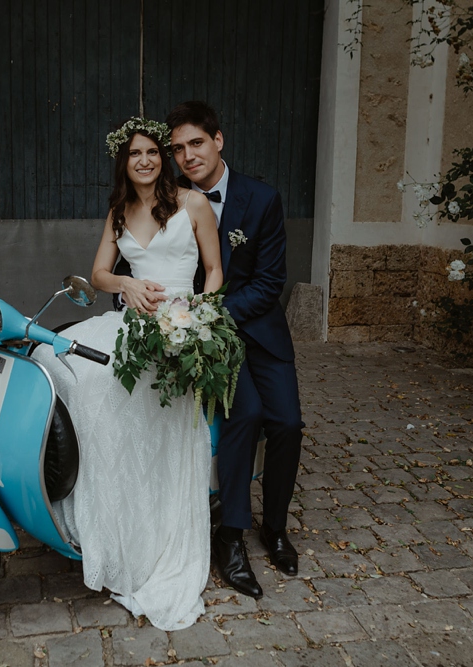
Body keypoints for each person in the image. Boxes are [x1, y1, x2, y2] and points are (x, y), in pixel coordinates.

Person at [31, 117, 222, 630]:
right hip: (132, 321)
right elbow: (98, 275)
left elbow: (214, 271)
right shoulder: (119, 210)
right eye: (134, 154)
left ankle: (152, 533)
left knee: (137, 404)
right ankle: (100, 512)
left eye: (152, 152)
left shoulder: (193, 203)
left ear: (163, 157)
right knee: (62, 366)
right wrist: (127, 285)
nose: (144, 160)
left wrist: (196, 316)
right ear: (124, 161)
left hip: (179, 325)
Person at [166, 101, 304, 599]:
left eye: (196, 143)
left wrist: (213, 313)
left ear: (218, 140)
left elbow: (270, 282)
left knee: (287, 422)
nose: (187, 155)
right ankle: (230, 536)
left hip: (258, 328)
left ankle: (276, 527)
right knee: (244, 416)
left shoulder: (262, 199)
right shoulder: (169, 199)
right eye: (178, 148)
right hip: (205, 340)